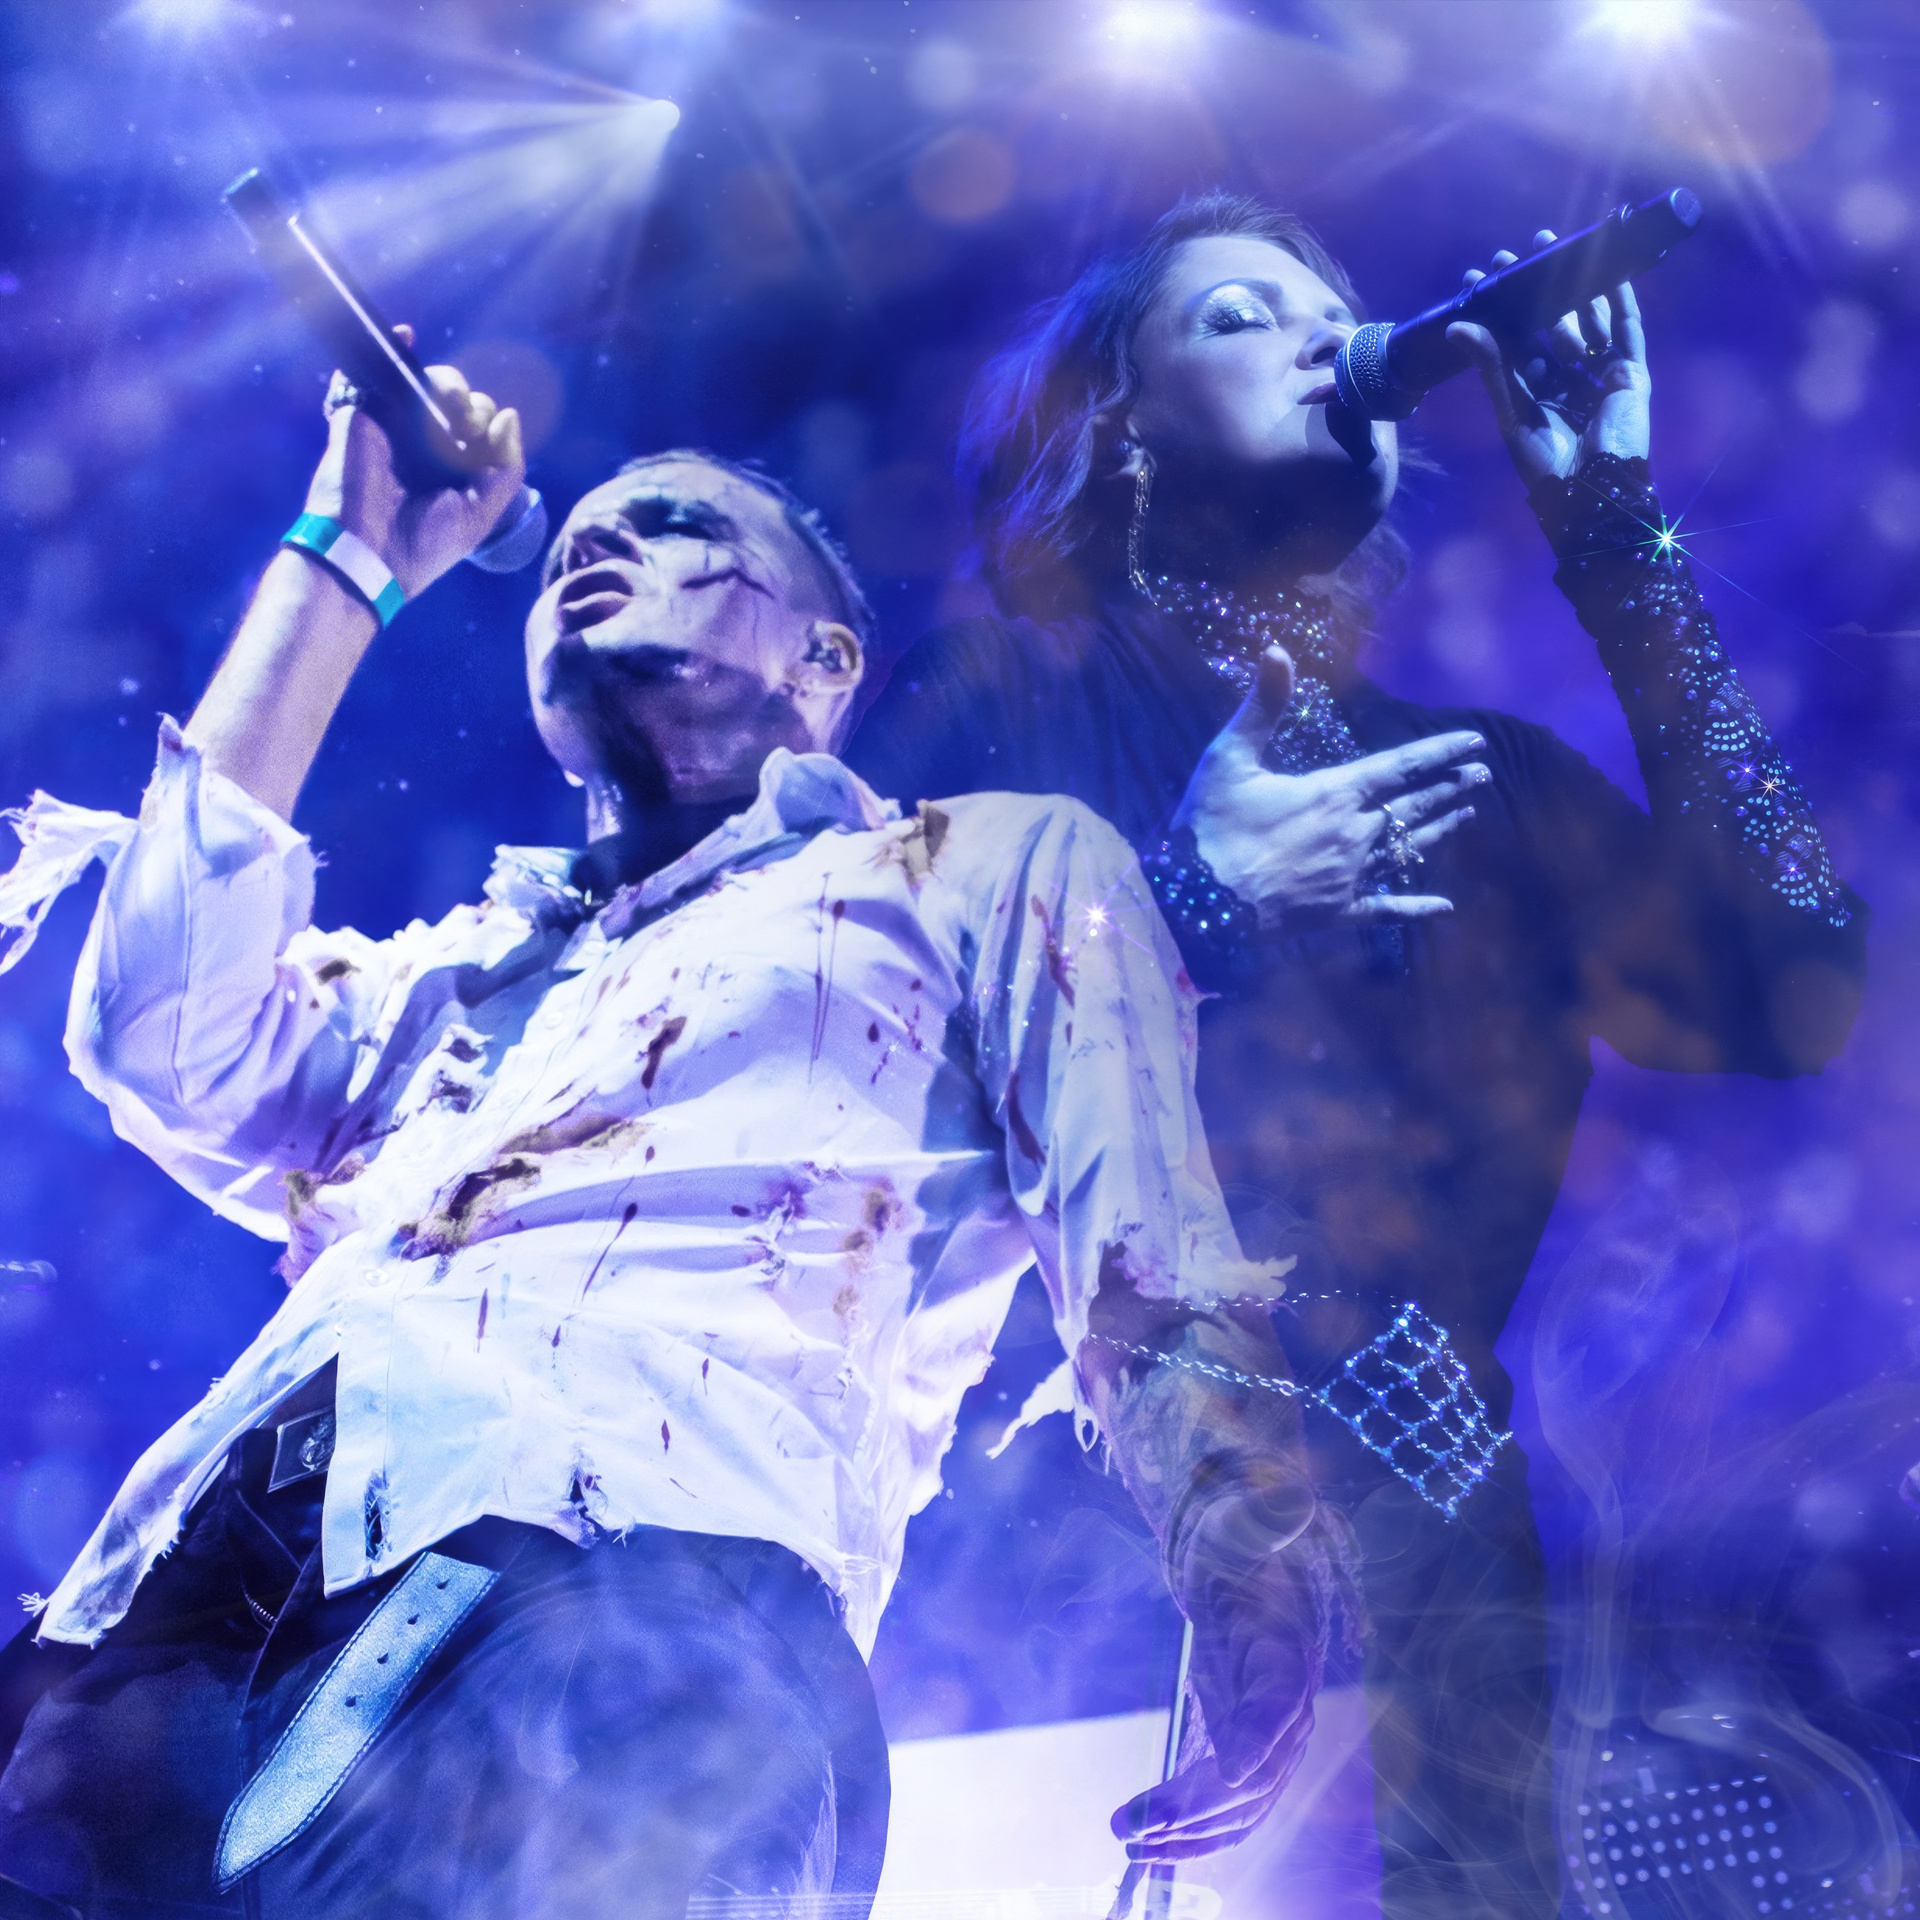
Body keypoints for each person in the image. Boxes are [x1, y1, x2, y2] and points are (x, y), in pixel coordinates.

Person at [0, 343, 1350, 1916]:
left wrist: (1249, 1545)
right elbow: (161, 1028)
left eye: (682, 529)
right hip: (204, 1573)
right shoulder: (466, 974)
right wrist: (349, 553)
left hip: (638, 1582)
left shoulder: (974, 868)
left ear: (824, 661)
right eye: (579, 540)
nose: (596, 541)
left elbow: (1142, 1235)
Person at [844, 193, 1868, 1917]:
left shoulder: (1485, 776)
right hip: (1078, 1526)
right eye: (1238, 315)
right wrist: (1189, 901)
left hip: (1448, 1562)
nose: (1324, 336)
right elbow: (855, 1077)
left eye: (1330, 308)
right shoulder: (996, 694)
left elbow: (1790, 994)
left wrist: (1617, 538)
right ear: (1119, 425)